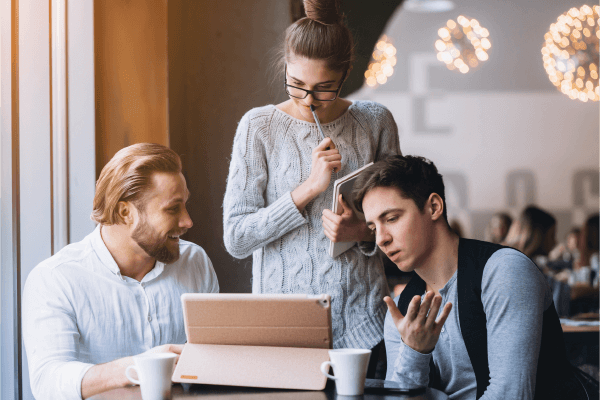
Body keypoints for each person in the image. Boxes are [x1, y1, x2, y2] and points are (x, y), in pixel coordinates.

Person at [222, 0, 400, 378]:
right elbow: (236, 238)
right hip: (282, 332)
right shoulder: (258, 127)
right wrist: (307, 189)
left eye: (323, 89)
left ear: (346, 74)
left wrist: (362, 232)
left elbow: (402, 222)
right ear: (285, 65)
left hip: (365, 328)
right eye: (297, 84)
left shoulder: (376, 123)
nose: (307, 100)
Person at [353, 155, 586, 399]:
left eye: (391, 218)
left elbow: (510, 395)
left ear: (433, 207)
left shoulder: (504, 271)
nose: (381, 238)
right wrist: (414, 352)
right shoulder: (402, 311)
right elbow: (397, 397)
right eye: (373, 228)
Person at [23, 143, 220, 400]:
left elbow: (214, 358)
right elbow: (48, 382)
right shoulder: (55, 278)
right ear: (125, 212)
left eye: (185, 205)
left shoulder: (195, 261)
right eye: (173, 208)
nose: (187, 221)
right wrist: (138, 367)